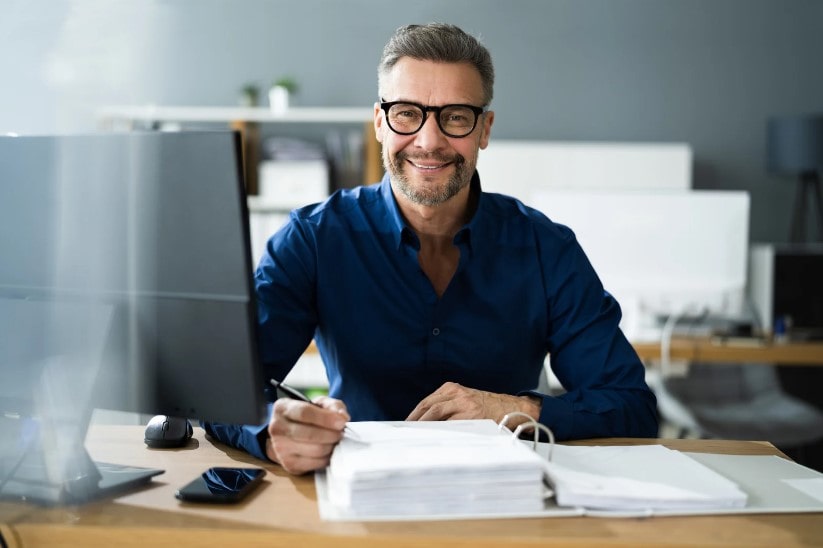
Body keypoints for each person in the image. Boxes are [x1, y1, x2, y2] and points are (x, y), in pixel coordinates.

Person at [205, 23, 658, 474]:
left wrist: (514, 411)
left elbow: (631, 407)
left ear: (484, 129)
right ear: (381, 122)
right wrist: (271, 430)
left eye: (456, 116)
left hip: (505, 498)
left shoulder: (546, 247)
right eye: (407, 113)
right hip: (356, 496)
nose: (429, 141)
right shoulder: (313, 238)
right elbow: (219, 391)